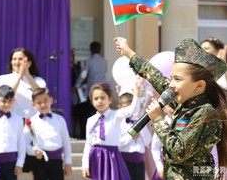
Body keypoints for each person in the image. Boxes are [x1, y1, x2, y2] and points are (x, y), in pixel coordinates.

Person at [114, 37, 227, 179]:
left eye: (177, 79)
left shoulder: (205, 112)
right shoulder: (185, 104)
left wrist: (158, 121)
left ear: (199, 86)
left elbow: (179, 151)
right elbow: (156, 77)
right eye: (171, 78)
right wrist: (128, 52)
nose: (171, 84)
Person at [81, 82, 144, 180]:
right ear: (92, 101)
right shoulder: (91, 120)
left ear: (110, 99)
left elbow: (133, 109)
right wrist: (85, 164)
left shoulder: (116, 115)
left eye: (103, 98)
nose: (99, 101)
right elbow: (88, 144)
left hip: (111, 156)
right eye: (96, 99)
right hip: (96, 157)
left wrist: (137, 92)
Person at [23, 87, 72, 180]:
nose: (43, 104)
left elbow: (66, 142)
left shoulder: (60, 120)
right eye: (38, 102)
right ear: (33, 104)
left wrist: (67, 162)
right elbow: (24, 143)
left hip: (56, 160)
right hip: (39, 161)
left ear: (51, 100)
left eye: (45, 101)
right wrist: (34, 151)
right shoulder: (31, 122)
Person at [118, 77, 152, 180]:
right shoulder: (119, 122)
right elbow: (117, 143)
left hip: (140, 160)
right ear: (120, 107)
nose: (131, 109)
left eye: (131, 104)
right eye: (126, 105)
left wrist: (140, 134)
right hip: (125, 159)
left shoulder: (139, 121)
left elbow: (148, 141)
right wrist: (131, 136)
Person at [0, 47, 46, 118]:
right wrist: (20, 76)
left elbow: (41, 96)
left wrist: (27, 75)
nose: (17, 62)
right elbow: (6, 96)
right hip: (13, 119)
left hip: (33, 119)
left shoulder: (38, 80)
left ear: (29, 63)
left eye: (20, 59)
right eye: (14, 59)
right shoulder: (3, 78)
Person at [72, 41, 107, 139]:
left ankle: (90, 134)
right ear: (99, 50)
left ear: (90, 50)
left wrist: (76, 85)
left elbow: (83, 75)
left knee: (90, 114)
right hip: (103, 89)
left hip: (92, 91)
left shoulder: (89, 61)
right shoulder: (104, 61)